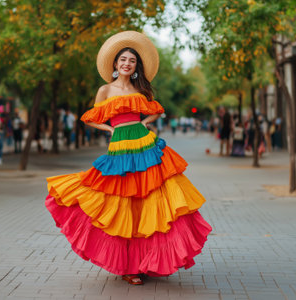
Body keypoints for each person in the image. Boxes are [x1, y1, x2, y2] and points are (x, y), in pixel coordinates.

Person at [44, 31, 212, 285]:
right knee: (122, 202)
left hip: (145, 144)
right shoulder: (105, 90)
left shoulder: (140, 89)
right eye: (123, 59)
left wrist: (143, 122)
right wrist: (111, 129)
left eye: (132, 61)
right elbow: (90, 118)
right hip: (120, 147)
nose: (127, 63)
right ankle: (129, 266)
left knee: (150, 200)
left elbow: (156, 110)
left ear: (136, 66)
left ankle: (147, 261)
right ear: (115, 63)